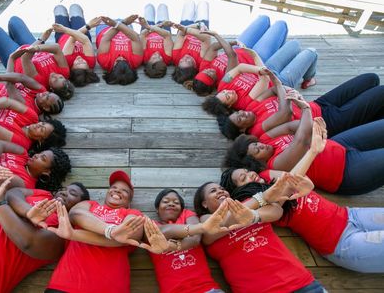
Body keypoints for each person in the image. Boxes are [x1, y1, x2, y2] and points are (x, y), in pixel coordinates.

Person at [221, 121, 384, 273]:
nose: (250, 175)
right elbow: (284, 192)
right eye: (243, 179)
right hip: (342, 242)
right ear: (240, 190)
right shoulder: (258, 202)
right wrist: (312, 152)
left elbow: (295, 179)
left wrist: (304, 181)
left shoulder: (266, 175)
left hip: (350, 215)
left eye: (248, 172)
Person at [193, 177, 327, 292]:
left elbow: (276, 211)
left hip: (300, 283)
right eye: (213, 191)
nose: (220, 191)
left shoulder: (247, 205)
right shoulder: (204, 221)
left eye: (222, 188)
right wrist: (262, 198)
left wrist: (254, 216)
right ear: (204, 204)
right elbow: (218, 225)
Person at [224, 99, 384, 195]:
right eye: (258, 150)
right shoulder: (275, 165)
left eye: (257, 144)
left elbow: (293, 126)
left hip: (339, 144)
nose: (262, 146)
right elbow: (303, 139)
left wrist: (303, 124)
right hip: (345, 172)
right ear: (255, 163)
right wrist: (305, 108)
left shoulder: (266, 140)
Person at [45, 170, 144, 293]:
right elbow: (76, 214)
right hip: (65, 284)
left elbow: (130, 235)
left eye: (125, 191)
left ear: (129, 202)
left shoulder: (132, 213)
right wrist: (111, 231)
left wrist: (74, 234)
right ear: (107, 192)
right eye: (114, 187)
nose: (117, 191)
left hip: (109, 287)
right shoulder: (90, 204)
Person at [218, 72, 384, 140]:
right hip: (325, 121)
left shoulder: (252, 107)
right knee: (380, 93)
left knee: (370, 79)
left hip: (319, 104)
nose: (243, 114)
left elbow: (277, 89)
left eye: (238, 112)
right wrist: (283, 90)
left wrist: (285, 92)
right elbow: (284, 113)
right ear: (242, 130)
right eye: (240, 119)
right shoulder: (257, 130)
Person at [202, 45, 317, 117]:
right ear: (230, 105)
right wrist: (255, 57)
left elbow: (240, 67)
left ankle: (304, 73)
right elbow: (265, 80)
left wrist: (259, 69)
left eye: (224, 93)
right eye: (228, 97)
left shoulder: (223, 85)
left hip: (264, 68)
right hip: (279, 82)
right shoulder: (244, 102)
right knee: (311, 52)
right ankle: (309, 79)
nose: (229, 92)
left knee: (294, 45)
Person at [147, 188, 224, 293]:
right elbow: (159, 234)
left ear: (182, 208)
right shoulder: (152, 225)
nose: (171, 204)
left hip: (207, 289)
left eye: (176, 202)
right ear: (157, 208)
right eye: (165, 202)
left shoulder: (187, 214)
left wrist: (174, 245)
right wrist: (186, 235)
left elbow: (195, 239)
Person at [189, 15, 288, 96]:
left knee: (263, 19)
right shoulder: (225, 80)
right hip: (255, 57)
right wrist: (216, 35)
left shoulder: (204, 67)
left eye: (204, 72)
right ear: (214, 83)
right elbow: (232, 56)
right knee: (281, 25)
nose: (209, 70)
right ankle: (278, 50)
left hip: (238, 47)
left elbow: (213, 48)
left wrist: (233, 42)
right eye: (209, 75)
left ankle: (277, 47)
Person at [0, 16, 75, 99]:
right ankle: (8, 42)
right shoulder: (64, 72)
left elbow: (25, 57)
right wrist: (39, 44)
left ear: (51, 89)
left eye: (55, 80)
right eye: (60, 77)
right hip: (33, 47)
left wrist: (41, 40)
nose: (56, 76)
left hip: (15, 57)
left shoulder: (40, 82)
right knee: (14, 20)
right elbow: (57, 48)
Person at [52, 4, 101, 87]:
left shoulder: (67, 61)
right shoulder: (91, 62)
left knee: (59, 9)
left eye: (77, 63)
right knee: (75, 7)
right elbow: (85, 40)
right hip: (82, 33)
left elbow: (72, 39)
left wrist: (89, 26)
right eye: (83, 62)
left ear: (72, 67)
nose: (80, 59)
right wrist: (87, 27)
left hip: (63, 35)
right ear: (88, 66)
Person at [95, 15, 143, 85]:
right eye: (125, 61)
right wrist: (122, 24)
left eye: (117, 61)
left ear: (112, 70)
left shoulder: (105, 62)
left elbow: (106, 38)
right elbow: (135, 38)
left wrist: (120, 23)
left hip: (105, 29)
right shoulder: (135, 62)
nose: (121, 57)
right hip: (127, 30)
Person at [171, 1, 211, 84]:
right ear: (195, 66)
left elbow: (181, 35)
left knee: (189, 4)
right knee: (203, 4)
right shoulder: (201, 61)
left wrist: (194, 26)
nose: (185, 57)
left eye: (182, 61)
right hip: (202, 28)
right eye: (188, 61)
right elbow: (206, 38)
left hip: (186, 25)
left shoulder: (176, 58)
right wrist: (199, 25)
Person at [138, 3, 174, 78]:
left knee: (149, 7)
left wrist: (148, 27)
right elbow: (167, 35)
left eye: (154, 57)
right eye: (160, 58)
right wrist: (161, 25)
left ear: (148, 62)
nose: (157, 54)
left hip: (147, 30)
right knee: (162, 6)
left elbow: (142, 35)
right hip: (163, 29)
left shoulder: (144, 57)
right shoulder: (167, 58)